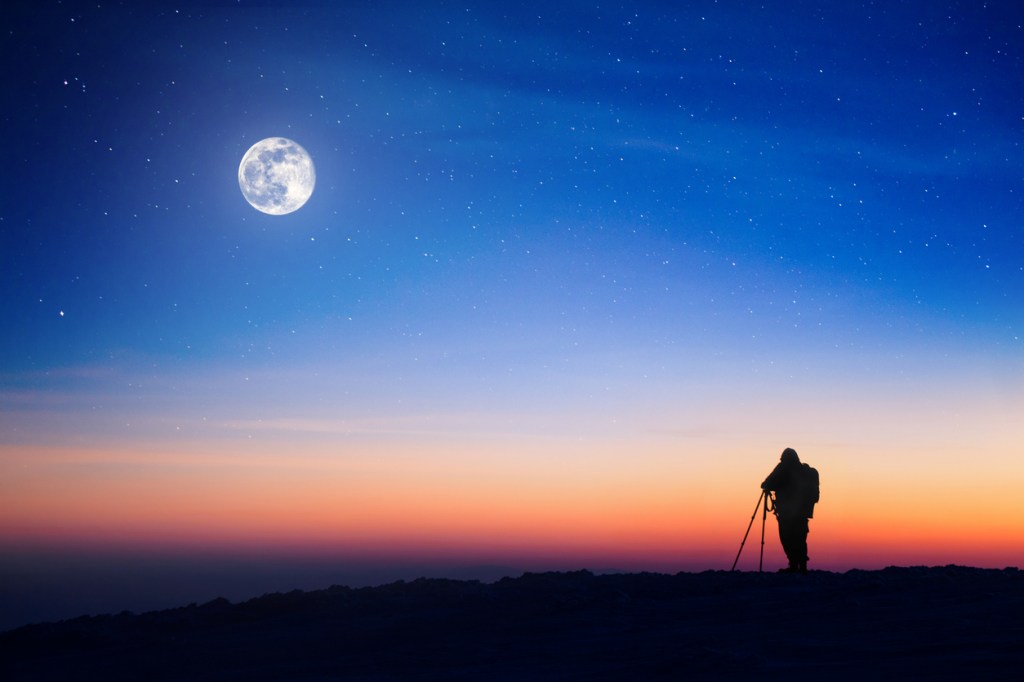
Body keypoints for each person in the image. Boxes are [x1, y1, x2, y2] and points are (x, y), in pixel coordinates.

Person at [761, 447, 816, 574]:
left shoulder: (783, 469)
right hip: (802, 513)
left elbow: (766, 484)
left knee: (787, 538)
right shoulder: (804, 471)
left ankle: (793, 565)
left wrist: (779, 468)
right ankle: (801, 567)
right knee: (800, 539)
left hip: (787, 513)